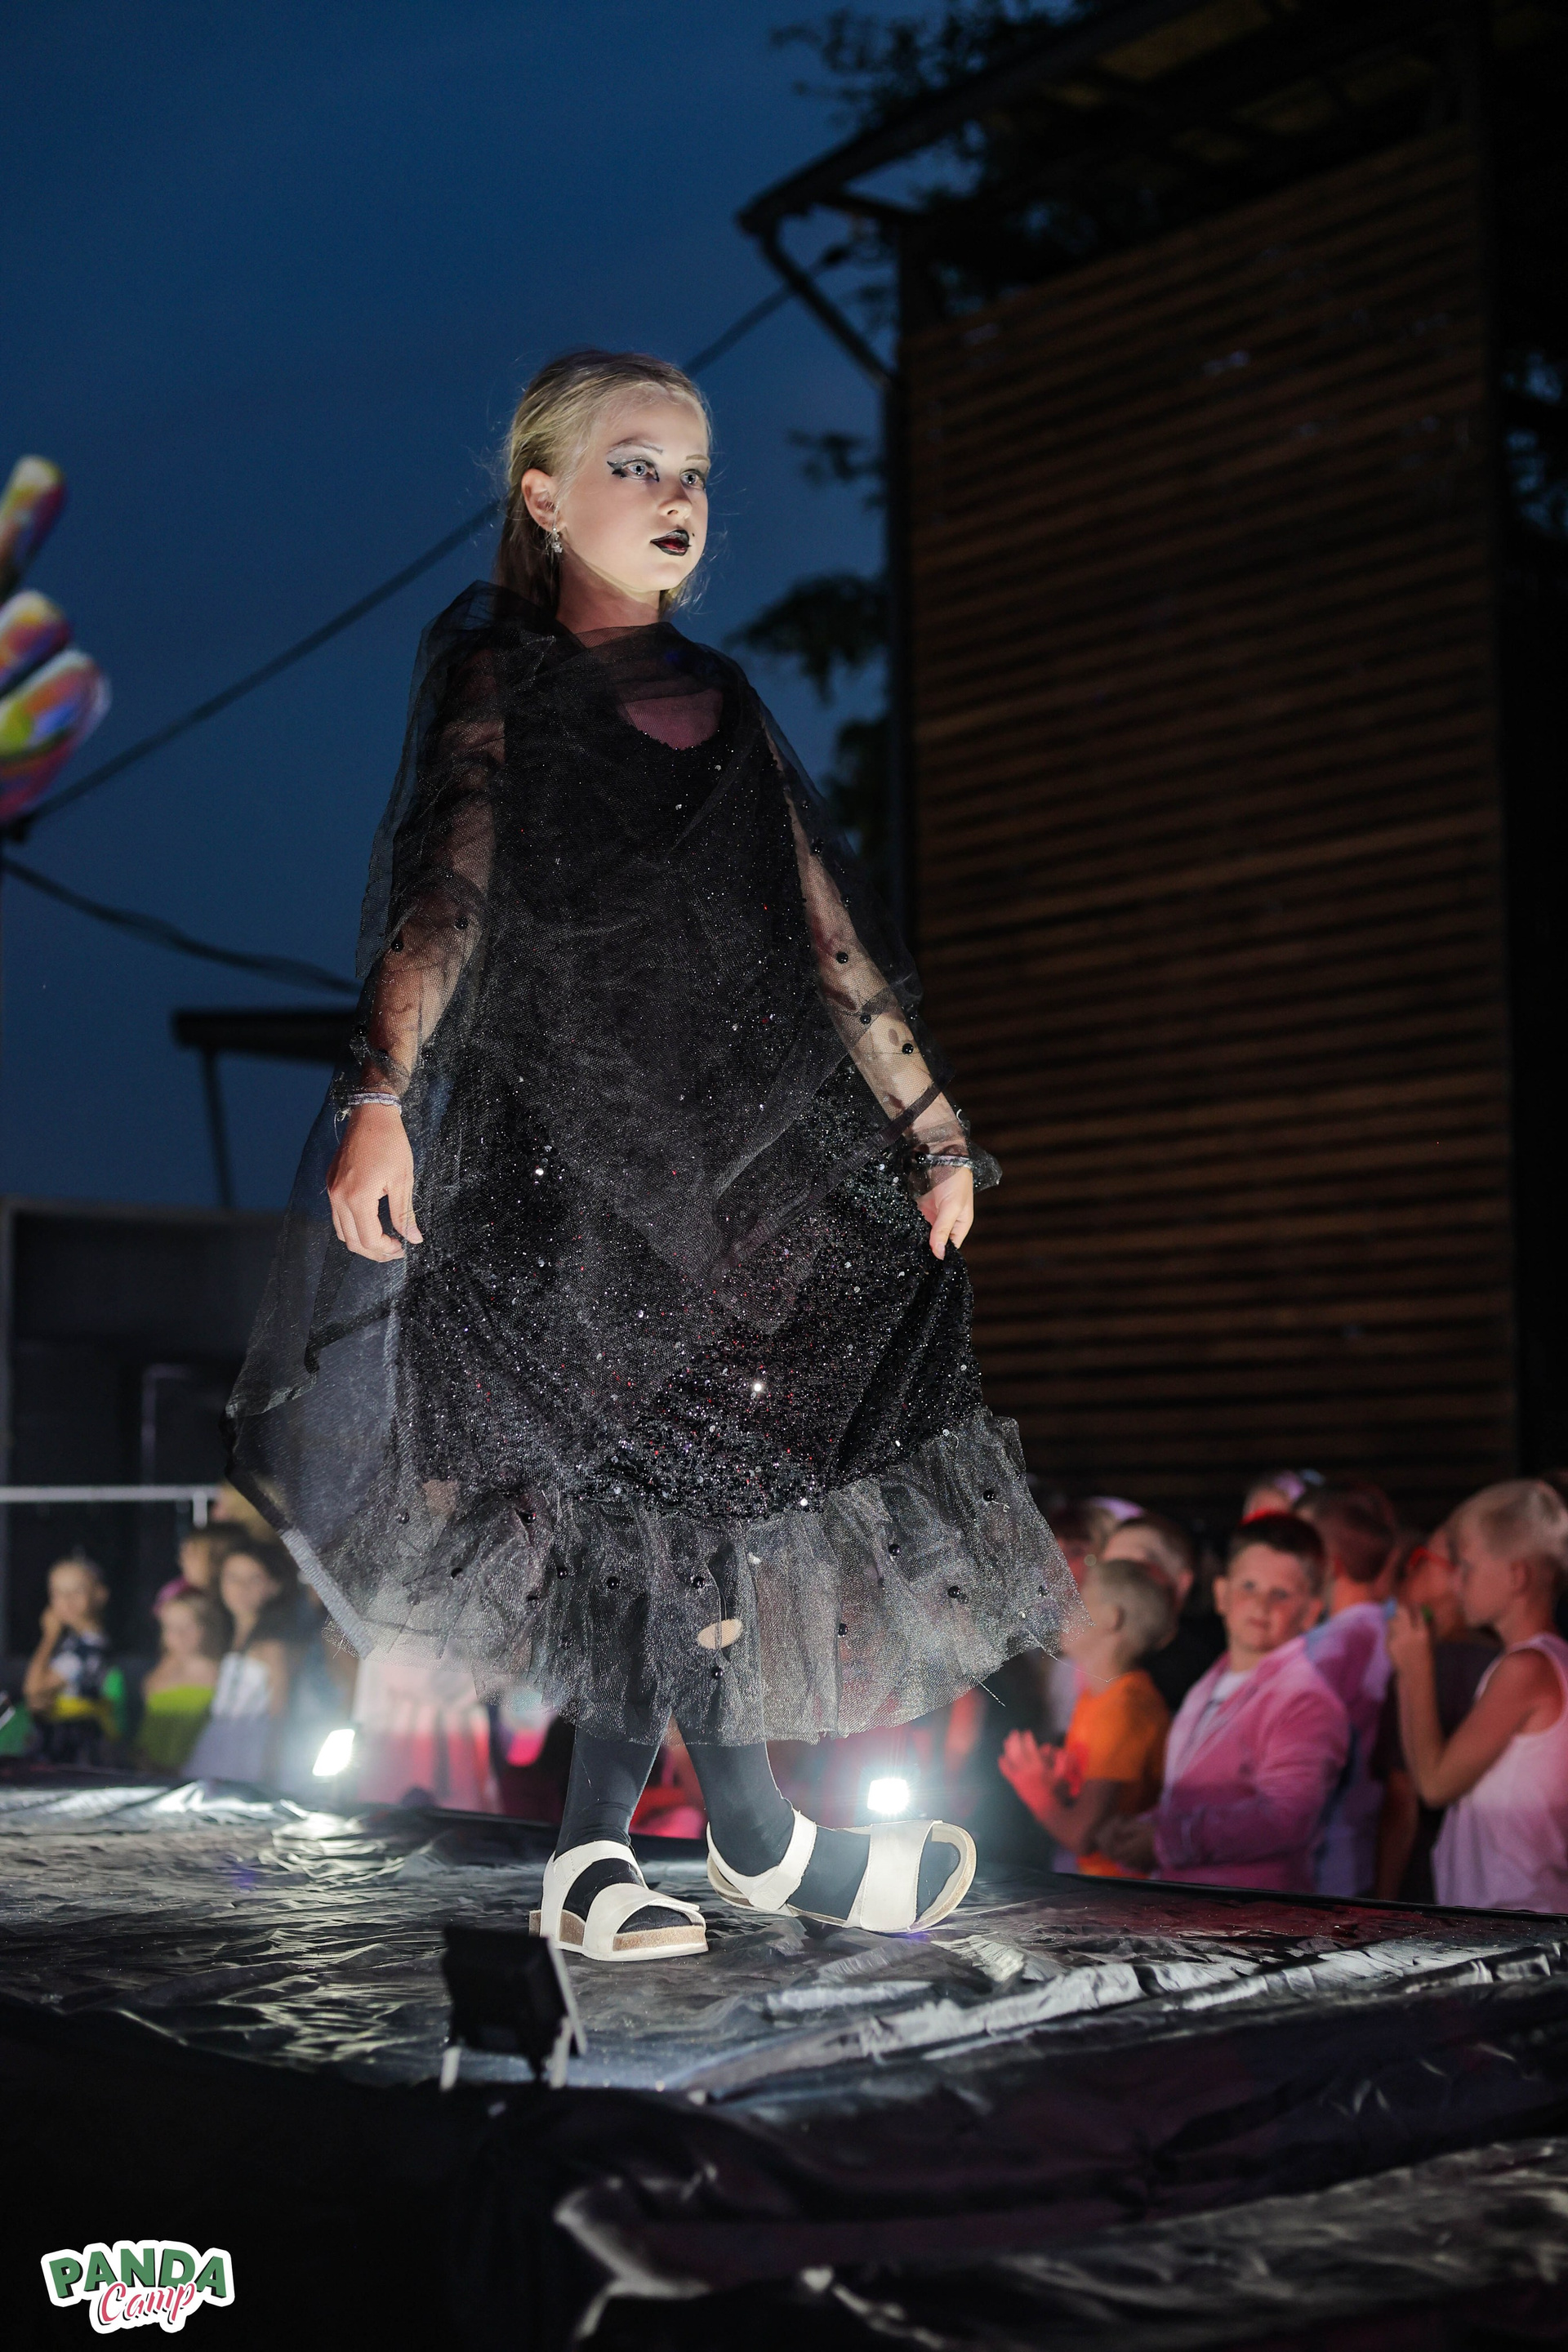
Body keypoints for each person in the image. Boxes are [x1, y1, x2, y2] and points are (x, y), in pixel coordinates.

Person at [225, 348, 1081, 1962]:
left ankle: (747, 1834)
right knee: (637, 1498)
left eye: (692, 470)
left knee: (724, 1495)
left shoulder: (727, 695)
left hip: (741, 1166)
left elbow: (829, 936)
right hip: (573, 1164)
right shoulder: (505, 670)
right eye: (636, 464)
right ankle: (615, 1855)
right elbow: (448, 890)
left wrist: (935, 1130)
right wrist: (382, 1093)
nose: (676, 495)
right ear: (545, 498)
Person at [1098, 1515, 1348, 1891]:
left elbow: (1285, 1819)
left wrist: (1167, 1840)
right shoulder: (1212, 1681)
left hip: (1250, 1914)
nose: (1261, 1604)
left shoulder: (1306, 1700)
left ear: (1311, 1611)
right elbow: (1191, 1798)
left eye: (1281, 1594)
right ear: (1221, 1593)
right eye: (1249, 1586)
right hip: (1193, 1905)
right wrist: (1141, 1829)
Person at [1388, 1479, 1568, 1913]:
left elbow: (1435, 1784)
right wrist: (1410, 1669)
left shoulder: (1527, 1669)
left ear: (1517, 1576)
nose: (1456, 1583)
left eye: (1466, 1567)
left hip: (1520, 1918)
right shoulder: (1534, 1660)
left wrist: (1417, 1669)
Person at [998, 1557, 1171, 1875]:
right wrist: (1059, 1785)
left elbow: (1081, 1835)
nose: (1064, 1611)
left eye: (1078, 1600)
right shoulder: (1099, 1697)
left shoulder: (1124, 1707)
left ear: (1110, 1618)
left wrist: (1035, 1789)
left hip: (1122, 1889)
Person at [1372, 1526, 1495, 1900]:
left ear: (1458, 1578)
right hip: (1492, 1881)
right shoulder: (1503, 1662)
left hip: (1431, 1887)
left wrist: (1381, 1902)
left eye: (1421, 1560)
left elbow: (1404, 1799)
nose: (1409, 1571)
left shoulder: (1426, 1664)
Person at [1298, 1487, 1396, 1895]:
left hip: (1327, 1846)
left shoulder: (1328, 1647)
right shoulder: (1394, 1628)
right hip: (1368, 1835)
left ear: (1331, 1564)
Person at [185, 1544, 296, 1785]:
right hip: (218, 1742)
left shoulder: (272, 1646)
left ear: (274, 1585)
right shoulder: (225, 1635)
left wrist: (272, 1760)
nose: (240, 1588)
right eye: (232, 1578)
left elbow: (280, 1711)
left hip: (251, 1749)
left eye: (254, 1579)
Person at [1099, 1512, 1224, 1713]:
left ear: (1182, 1583)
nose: (1116, 1585)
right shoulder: (1096, 1660)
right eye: (1109, 1569)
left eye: (1134, 1571)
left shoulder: (1201, 1680)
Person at [22, 1552, 122, 1766]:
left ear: (99, 1594)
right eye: (58, 1592)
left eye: (77, 1591)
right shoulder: (72, 1642)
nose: (66, 1601)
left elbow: (34, 1689)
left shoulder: (89, 1648)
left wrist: (49, 1636)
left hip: (73, 1747)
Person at [135, 1589, 229, 1775]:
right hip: (148, 1768)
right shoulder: (162, 1667)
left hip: (196, 1772)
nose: (179, 1635)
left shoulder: (222, 1673)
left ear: (207, 1627)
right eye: (171, 1627)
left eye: (188, 1627)